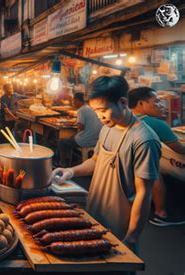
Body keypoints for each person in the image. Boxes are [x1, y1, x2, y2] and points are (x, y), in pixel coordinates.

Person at [51, 76, 161, 251]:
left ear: (123, 102)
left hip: (120, 224)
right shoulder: (107, 128)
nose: (99, 116)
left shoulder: (144, 140)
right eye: (95, 111)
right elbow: (96, 161)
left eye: (103, 110)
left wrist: (132, 237)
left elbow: (144, 194)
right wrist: (70, 171)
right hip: (95, 212)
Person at [128, 87, 185, 226]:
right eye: (157, 101)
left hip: (130, 165)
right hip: (145, 166)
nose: (161, 105)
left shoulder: (127, 118)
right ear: (141, 104)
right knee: (156, 172)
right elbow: (179, 148)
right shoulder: (156, 124)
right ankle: (162, 213)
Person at [58, 92, 102, 167]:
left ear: (78, 101)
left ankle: (63, 163)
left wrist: (76, 123)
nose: (73, 103)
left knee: (62, 141)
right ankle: (71, 158)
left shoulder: (82, 110)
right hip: (96, 140)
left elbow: (81, 127)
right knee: (71, 137)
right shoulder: (91, 108)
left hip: (85, 141)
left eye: (74, 101)